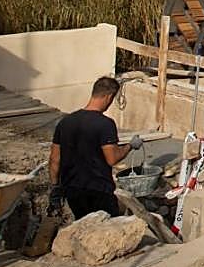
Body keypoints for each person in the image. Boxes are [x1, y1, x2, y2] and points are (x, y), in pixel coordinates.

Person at [48, 76, 142, 219]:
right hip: (99, 190)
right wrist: (130, 146)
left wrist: (55, 187)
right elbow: (112, 158)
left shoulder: (65, 122)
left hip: (73, 190)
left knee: (83, 225)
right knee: (106, 228)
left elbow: (55, 159)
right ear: (109, 97)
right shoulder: (105, 124)